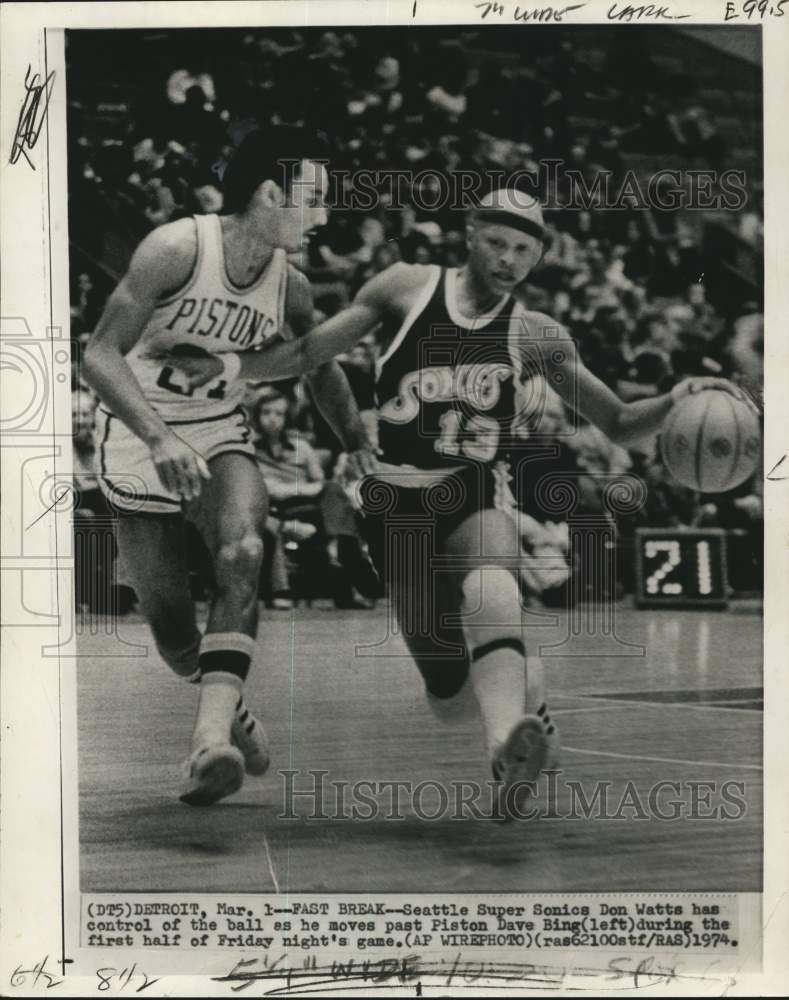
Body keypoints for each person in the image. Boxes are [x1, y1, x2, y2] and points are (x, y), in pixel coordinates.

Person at [161, 188, 749, 818]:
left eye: (524, 250)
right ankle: (527, 689)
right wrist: (229, 364)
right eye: (497, 242)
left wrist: (675, 399)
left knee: (493, 591)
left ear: (537, 259)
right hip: (395, 504)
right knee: (445, 690)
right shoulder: (404, 286)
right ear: (470, 233)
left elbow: (621, 420)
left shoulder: (537, 334)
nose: (508, 259)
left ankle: (506, 749)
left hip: (471, 489)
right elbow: (309, 353)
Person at [82, 126, 373, 807]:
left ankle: (208, 739)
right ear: (272, 192)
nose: (325, 214)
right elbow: (98, 355)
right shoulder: (177, 248)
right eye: (316, 197)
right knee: (175, 638)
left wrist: (356, 438)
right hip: (136, 433)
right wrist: (158, 439)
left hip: (217, 431)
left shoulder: (289, 284)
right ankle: (227, 702)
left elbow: (315, 364)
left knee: (244, 546)